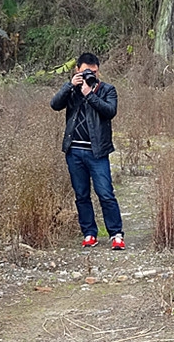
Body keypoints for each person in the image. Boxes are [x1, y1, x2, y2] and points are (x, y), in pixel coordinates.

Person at [50, 53, 125, 250]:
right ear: (77, 70)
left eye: (93, 71)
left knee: (105, 193)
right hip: (74, 151)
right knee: (81, 194)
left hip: (97, 152)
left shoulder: (107, 90)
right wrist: (69, 86)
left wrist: (89, 95)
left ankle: (116, 233)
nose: (90, 74)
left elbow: (110, 111)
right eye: (86, 71)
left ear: (98, 70)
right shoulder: (72, 90)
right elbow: (55, 104)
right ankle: (89, 233)